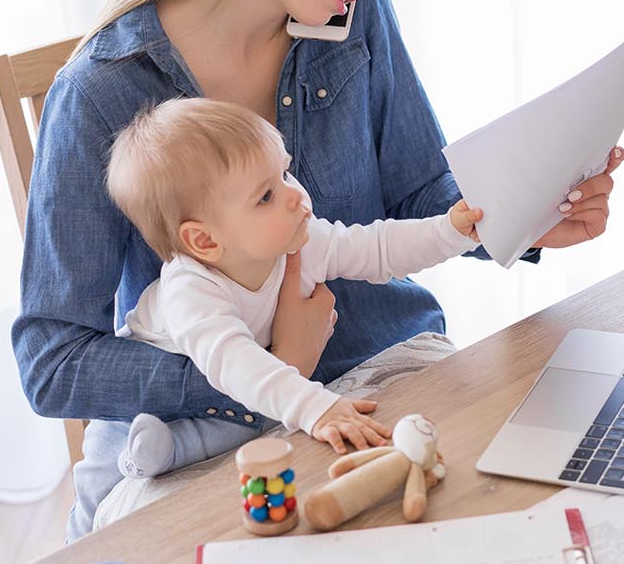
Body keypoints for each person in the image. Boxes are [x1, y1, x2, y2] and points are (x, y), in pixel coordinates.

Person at [13, 0, 624, 542]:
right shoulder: (104, 89)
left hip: (387, 365)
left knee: (536, 508)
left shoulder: (353, 16)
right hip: (210, 423)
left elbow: (418, 191)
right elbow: (52, 362)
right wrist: (271, 367)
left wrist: (530, 218)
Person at [106, 97, 484, 479]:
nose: (296, 196)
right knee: (128, 457)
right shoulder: (190, 289)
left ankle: (173, 448)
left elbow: (377, 248)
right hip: (149, 408)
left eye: (285, 173)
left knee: (249, 419)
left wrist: (450, 231)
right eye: (266, 196)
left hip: (238, 397)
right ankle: (155, 453)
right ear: (204, 241)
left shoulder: (298, 240)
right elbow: (236, 364)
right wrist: (315, 408)